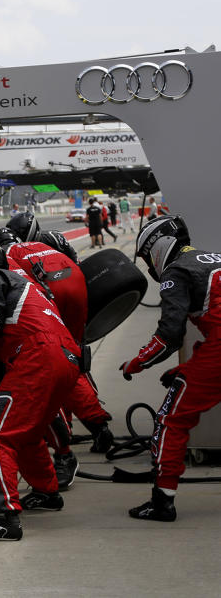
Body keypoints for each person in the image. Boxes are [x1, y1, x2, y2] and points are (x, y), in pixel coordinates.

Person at [0, 245, 81, 541]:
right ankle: (47, 492)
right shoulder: (25, 288)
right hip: (67, 360)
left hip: (38, 355)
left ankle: (5, 517)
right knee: (27, 434)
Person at [0, 227, 115, 485]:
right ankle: (98, 423)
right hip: (76, 281)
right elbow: (73, 258)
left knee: (51, 361)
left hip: (51, 293)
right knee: (73, 357)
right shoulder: (40, 243)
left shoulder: (4, 257)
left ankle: (64, 437)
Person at [121, 215, 221, 522]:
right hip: (215, 348)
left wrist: (136, 363)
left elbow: (169, 336)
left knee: (170, 421)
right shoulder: (215, 257)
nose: (151, 266)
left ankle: (162, 501)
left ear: (157, 246)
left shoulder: (177, 270)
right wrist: (190, 368)